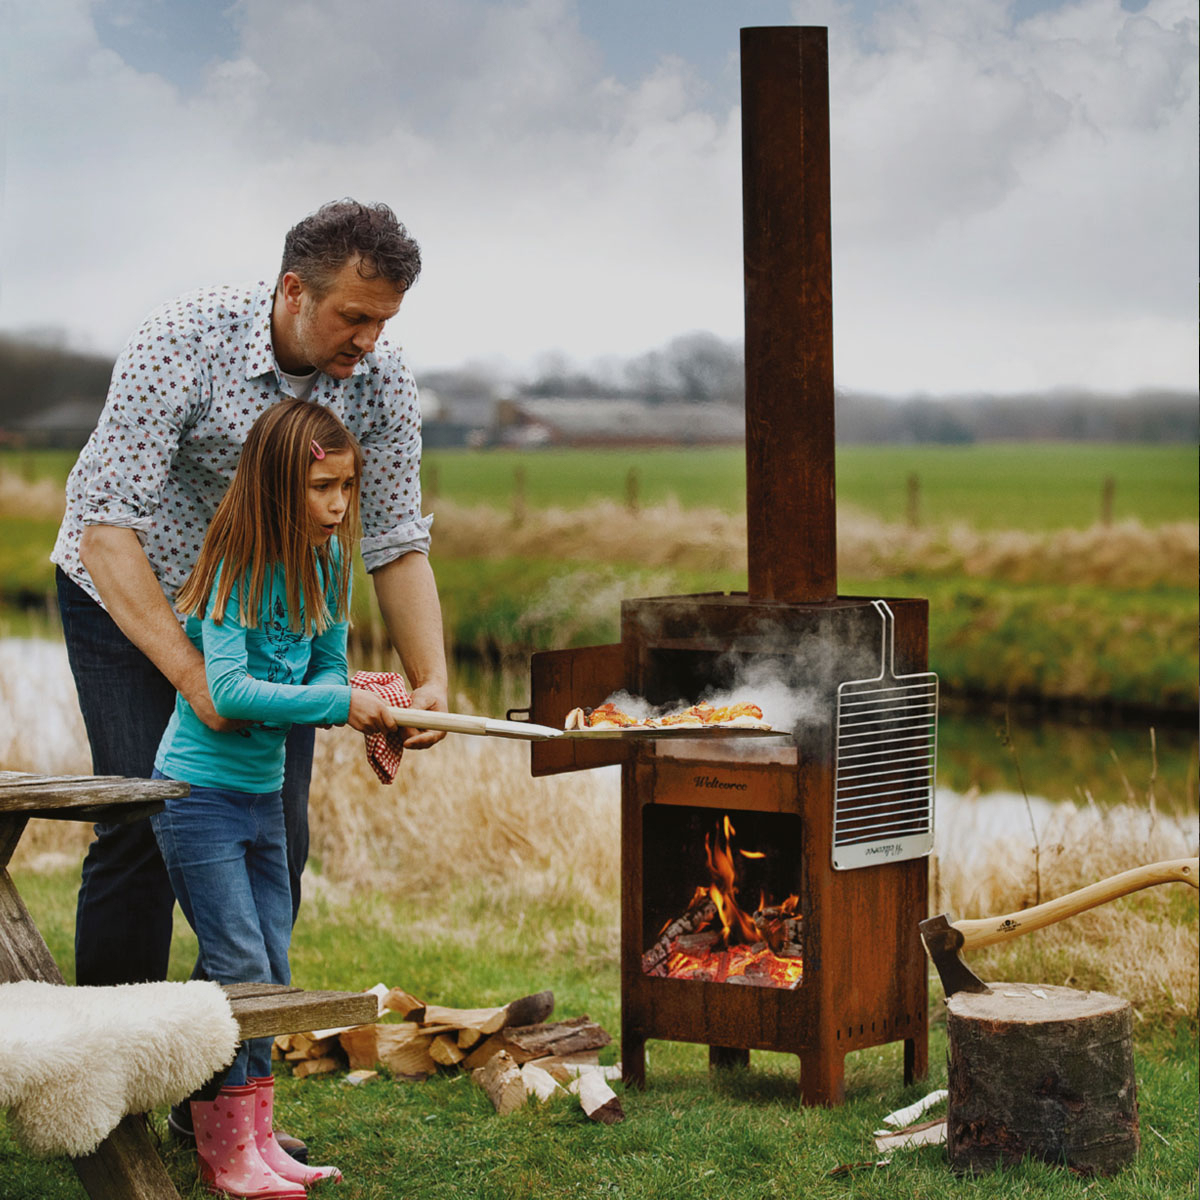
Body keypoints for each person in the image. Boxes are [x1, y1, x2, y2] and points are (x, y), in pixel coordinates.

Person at [52, 198, 448, 995]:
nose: (369, 341)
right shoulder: (181, 343)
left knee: (275, 832)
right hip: (134, 592)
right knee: (143, 816)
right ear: (294, 291)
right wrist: (198, 682)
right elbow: (106, 533)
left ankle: (220, 1101)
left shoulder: (383, 381)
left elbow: (396, 540)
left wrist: (431, 681)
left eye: (384, 322)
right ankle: (114, 1084)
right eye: (354, 317)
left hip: (273, 619)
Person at [150, 398, 389, 1197]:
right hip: (199, 796)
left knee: (272, 970)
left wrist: (337, 692)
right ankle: (223, 1155)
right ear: (275, 488)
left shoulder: (326, 565)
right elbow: (228, 690)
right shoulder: (234, 569)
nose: (338, 505)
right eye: (323, 488)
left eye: (346, 487)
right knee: (238, 966)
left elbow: (328, 662)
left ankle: (256, 1138)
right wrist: (338, 704)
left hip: (262, 794)